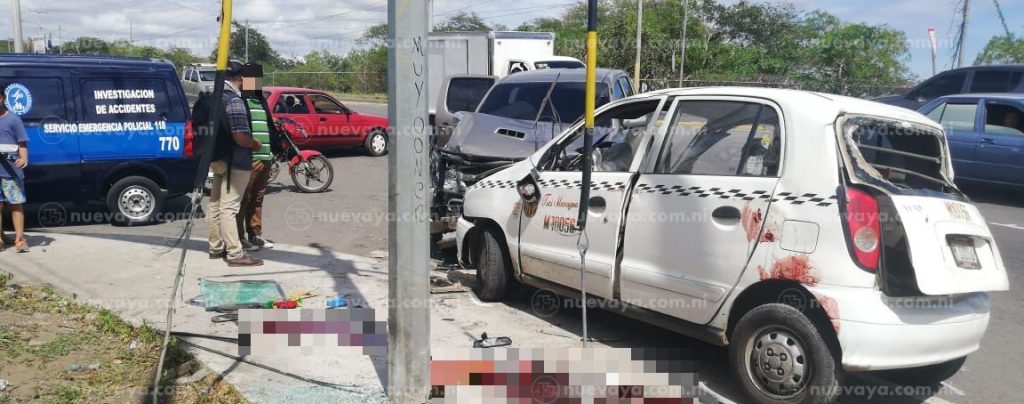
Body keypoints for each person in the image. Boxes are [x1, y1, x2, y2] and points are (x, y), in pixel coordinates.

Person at [207, 62, 264, 267]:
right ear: (240, 79)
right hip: (235, 161)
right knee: (229, 207)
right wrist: (254, 144)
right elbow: (240, 137)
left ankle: (215, 247)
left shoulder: (213, 98)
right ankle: (235, 254)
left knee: (215, 203)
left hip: (216, 158)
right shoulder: (234, 101)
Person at [237, 63, 278, 251]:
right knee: (243, 200)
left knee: (258, 199)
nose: (254, 82)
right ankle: (239, 238)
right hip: (249, 159)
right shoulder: (239, 101)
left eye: (257, 78)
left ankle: (255, 235)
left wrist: (274, 151)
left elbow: (268, 126)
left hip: (266, 158)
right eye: (250, 78)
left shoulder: (261, 100)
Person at [0, 84, 29, 253]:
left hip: (11, 172)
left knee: (16, 205)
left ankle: (20, 239)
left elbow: (22, 143)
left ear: (2, 98)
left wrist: (24, 157)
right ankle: (1, 238)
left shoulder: (14, 119)